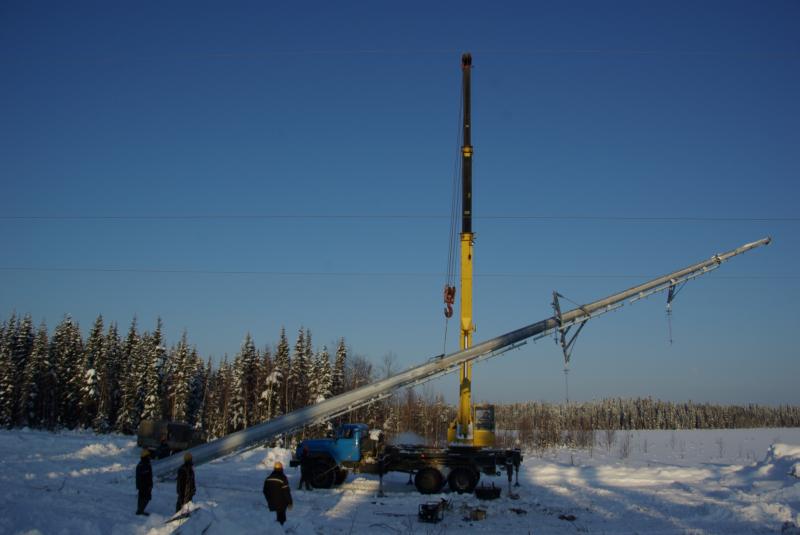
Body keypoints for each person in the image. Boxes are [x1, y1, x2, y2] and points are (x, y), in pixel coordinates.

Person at [263, 461, 293, 525]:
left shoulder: (268, 478)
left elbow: (265, 491)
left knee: (274, 520)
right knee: (282, 520)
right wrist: (290, 502)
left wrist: (269, 500)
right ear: (281, 469)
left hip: (271, 503)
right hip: (282, 504)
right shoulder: (283, 478)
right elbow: (286, 492)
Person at [135, 449, 153, 516]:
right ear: (145, 456)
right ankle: (140, 511)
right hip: (143, 486)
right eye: (148, 456)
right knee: (143, 498)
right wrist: (140, 486)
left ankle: (141, 510)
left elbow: (149, 476)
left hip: (147, 485)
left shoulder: (147, 464)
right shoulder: (141, 465)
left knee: (147, 498)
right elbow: (139, 478)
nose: (149, 457)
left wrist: (150, 484)